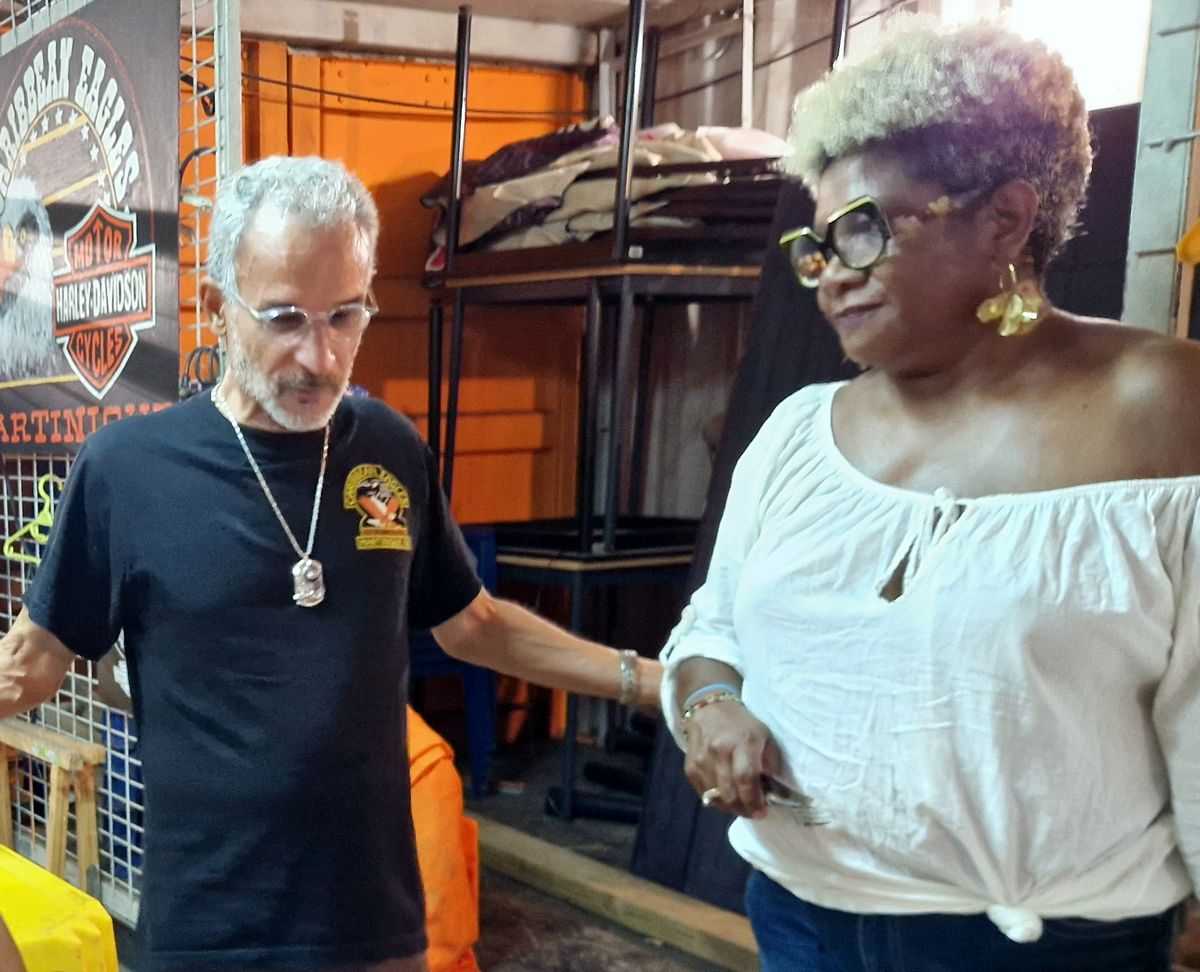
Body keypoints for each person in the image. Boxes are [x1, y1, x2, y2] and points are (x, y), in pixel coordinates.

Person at [0, 155, 660, 972]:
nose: (320, 356)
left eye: (345, 315)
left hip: (372, 926)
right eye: (284, 319)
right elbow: (32, 663)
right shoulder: (128, 470)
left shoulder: (388, 449)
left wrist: (653, 682)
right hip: (209, 931)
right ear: (217, 310)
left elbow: (474, 624)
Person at [661, 17, 1200, 972]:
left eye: (862, 230)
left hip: (1044, 949)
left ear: (1006, 219)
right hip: (801, 920)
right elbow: (713, 630)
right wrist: (709, 706)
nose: (829, 276)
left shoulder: (1160, 409)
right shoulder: (799, 436)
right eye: (816, 244)